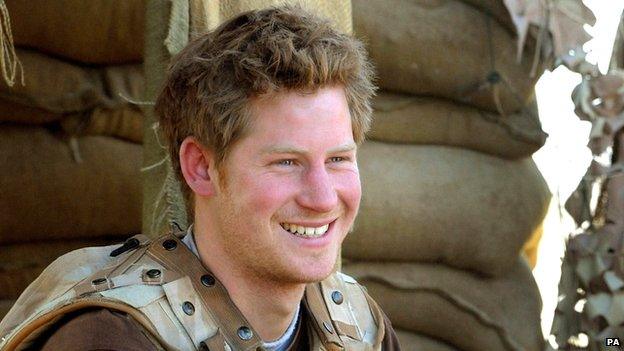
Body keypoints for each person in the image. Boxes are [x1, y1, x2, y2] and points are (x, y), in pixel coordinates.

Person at [0, 5, 400, 350]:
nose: (323, 197)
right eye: (286, 162)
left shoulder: (358, 327)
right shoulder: (110, 340)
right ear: (201, 167)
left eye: (338, 159)